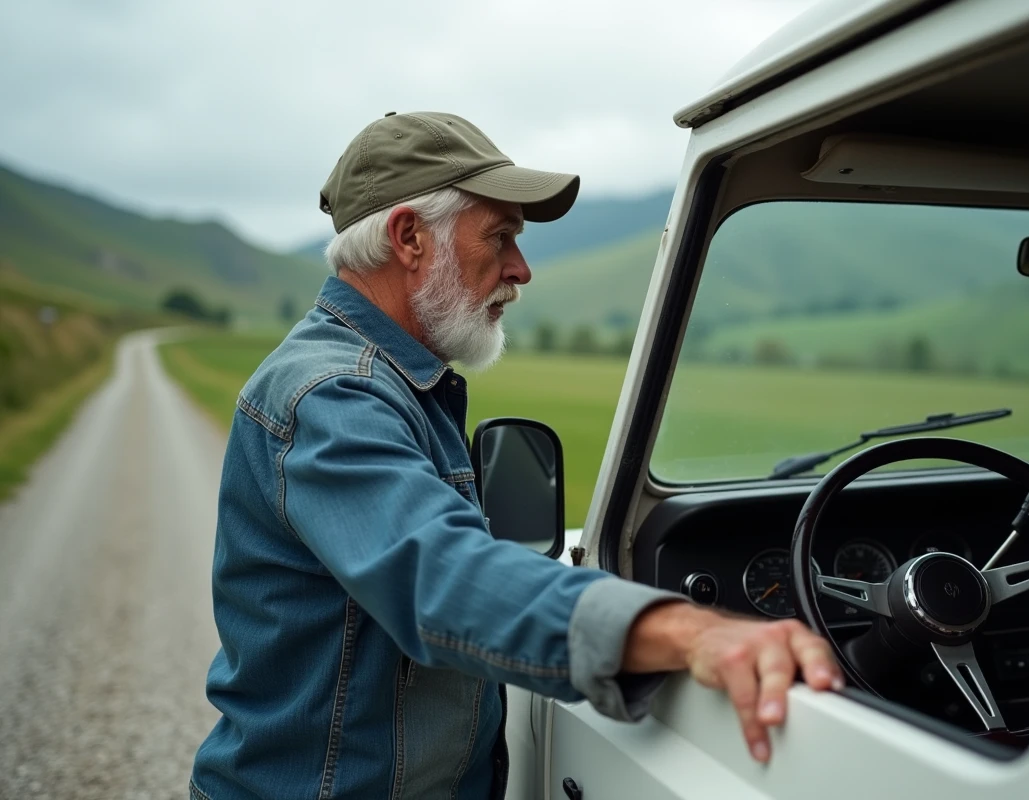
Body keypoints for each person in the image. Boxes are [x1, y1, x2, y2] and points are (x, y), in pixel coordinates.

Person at [189, 111, 843, 800]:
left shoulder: (398, 383)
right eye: (500, 237)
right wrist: (689, 632)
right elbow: (443, 575)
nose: (520, 269)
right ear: (408, 237)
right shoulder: (331, 395)